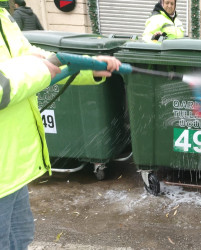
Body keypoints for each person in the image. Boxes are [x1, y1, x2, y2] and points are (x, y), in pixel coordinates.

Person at [0, 7, 122, 249]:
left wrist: (87, 67)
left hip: (13, 169)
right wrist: (40, 69)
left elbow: (36, 60)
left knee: (20, 240)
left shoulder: (3, 16)